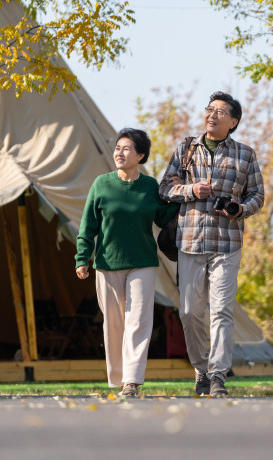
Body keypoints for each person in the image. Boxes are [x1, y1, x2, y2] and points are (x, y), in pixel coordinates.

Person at [159, 91, 265, 398]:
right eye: (210, 109)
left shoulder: (245, 154)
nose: (212, 115)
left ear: (233, 122)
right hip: (189, 240)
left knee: (221, 311)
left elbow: (257, 195)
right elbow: (165, 187)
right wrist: (192, 190)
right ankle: (201, 369)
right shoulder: (186, 148)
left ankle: (217, 375)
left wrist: (239, 209)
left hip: (227, 243)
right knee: (190, 312)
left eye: (220, 112)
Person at [75, 128, 179, 397]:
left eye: (126, 148)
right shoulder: (101, 184)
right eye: (117, 148)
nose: (119, 153)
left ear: (140, 155)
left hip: (142, 261)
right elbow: (88, 226)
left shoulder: (150, 186)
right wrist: (82, 258)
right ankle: (118, 378)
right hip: (107, 263)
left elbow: (163, 217)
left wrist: (180, 197)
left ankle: (131, 381)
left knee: (139, 320)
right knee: (114, 322)